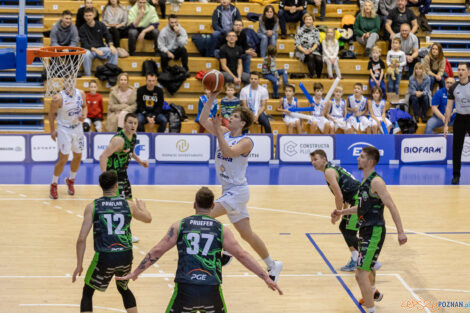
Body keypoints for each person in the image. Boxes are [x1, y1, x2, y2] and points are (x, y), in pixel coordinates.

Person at [115, 187, 282, 313]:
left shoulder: (180, 225)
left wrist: (135, 272)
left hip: (186, 289)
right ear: (213, 206)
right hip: (211, 289)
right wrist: (265, 277)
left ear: (194, 205)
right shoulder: (221, 229)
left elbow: (158, 251)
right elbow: (242, 255)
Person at [198, 92, 283, 283]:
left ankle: (218, 253)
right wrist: (211, 98)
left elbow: (229, 151)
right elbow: (203, 120)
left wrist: (219, 133)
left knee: (203, 217)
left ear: (243, 123)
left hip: (237, 192)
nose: (230, 118)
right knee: (248, 234)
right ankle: (272, 264)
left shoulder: (246, 142)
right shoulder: (225, 132)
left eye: (235, 116)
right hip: (229, 191)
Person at [332, 146, 407, 312]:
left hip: (374, 232)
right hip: (365, 231)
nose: (358, 159)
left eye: (362, 157)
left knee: (360, 274)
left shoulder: (376, 182)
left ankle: (371, 307)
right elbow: (361, 208)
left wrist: (400, 232)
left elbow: (392, 206)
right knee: (366, 269)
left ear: (370, 162)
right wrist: (342, 212)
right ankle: (373, 294)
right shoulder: (364, 182)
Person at [72, 170, 152, 313]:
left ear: (99, 185)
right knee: (123, 287)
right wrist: (143, 208)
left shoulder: (93, 207)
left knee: (87, 292)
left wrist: (79, 264)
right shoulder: (128, 205)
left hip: (105, 256)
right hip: (125, 254)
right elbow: (148, 219)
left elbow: (81, 239)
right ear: (116, 186)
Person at [310, 149, 362, 271]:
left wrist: (339, 212)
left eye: (315, 159)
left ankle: (367, 259)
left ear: (324, 159)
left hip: (360, 200)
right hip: (356, 199)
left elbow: (339, 195)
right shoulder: (330, 169)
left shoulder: (329, 172)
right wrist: (343, 212)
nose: (313, 162)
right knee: (344, 226)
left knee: (349, 231)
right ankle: (356, 258)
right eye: (312, 160)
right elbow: (344, 195)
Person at [49, 80, 87, 200]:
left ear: (75, 83)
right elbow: (51, 114)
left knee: (78, 156)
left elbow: (85, 107)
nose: (70, 85)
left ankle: (71, 180)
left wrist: (84, 115)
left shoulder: (81, 93)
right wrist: (52, 130)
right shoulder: (58, 98)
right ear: (64, 84)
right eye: (67, 82)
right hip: (64, 129)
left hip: (77, 128)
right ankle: (54, 184)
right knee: (63, 159)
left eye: (72, 82)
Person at [99, 113, 149, 200]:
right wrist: (104, 177)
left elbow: (130, 150)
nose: (133, 125)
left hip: (123, 174)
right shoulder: (118, 140)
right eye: (130, 122)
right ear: (124, 123)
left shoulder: (134, 136)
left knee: (129, 202)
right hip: (113, 175)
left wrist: (140, 161)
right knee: (118, 204)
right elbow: (103, 156)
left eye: (135, 123)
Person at [444, 63, 470, 185]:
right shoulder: (453, 87)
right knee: (456, 149)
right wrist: (445, 125)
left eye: (463, 70)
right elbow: (449, 107)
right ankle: (456, 175)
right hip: (459, 119)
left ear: (468, 72)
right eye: (459, 69)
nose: (460, 72)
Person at [79, 7, 118, 77]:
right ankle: (88, 75)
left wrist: (111, 46)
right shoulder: (82, 28)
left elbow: (108, 35)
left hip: (100, 48)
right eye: (86, 16)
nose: (88, 17)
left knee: (114, 52)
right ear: (84, 17)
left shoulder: (101, 25)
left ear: (93, 15)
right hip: (90, 50)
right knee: (86, 54)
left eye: (90, 15)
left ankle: (112, 74)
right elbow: (84, 44)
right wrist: (95, 50)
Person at [294, 13, 322, 78]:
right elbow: (297, 44)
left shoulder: (316, 30)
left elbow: (317, 42)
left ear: (313, 21)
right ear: (304, 20)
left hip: (313, 50)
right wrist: (304, 51)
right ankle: (312, 75)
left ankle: (319, 77)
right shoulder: (299, 30)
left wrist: (311, 49)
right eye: (306, 19)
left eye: (310, 19)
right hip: (302, 51)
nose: (308, 21)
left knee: (319, 59)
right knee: (310, 56)